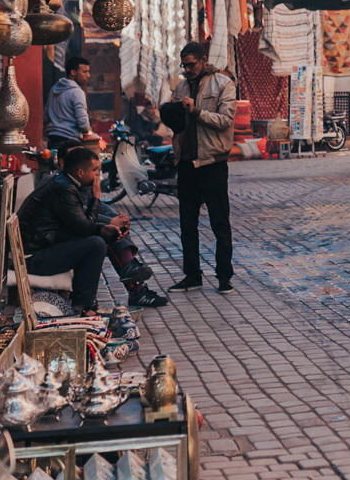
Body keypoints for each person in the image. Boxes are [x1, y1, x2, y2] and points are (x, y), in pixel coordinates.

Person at [17, 146, 170, 312]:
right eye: (95, 170)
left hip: (46, 244)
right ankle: (83, 306)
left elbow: (79, 222)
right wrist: (97, 198)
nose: (98, 175)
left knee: (104, 235)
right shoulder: (64, 188)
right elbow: (83, 227)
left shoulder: (67, 182)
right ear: (80, 173)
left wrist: (106, 228)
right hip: (33, 258)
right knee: (96, 244)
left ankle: (130, 286)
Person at [163, 41, 238, 295]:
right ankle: (192, 276)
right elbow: (176, 122)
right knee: (187, 224)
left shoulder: (223, 84)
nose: (187, 70)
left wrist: (197, 112)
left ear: (203, 60)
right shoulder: (182, 86)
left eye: (191, 64)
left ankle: (224, 276)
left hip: (212, 163)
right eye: (184, 66)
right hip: (186, 163)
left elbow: (226, 121)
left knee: (220, 223)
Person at [46, 57, 101, 157]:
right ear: (73, 72)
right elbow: (83, 123)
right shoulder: (77, 92)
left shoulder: (53, 90)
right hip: (70, 141)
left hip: (53, 138)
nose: (88, 75)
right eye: (84, 72)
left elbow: (46, 116)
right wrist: (88, 131)